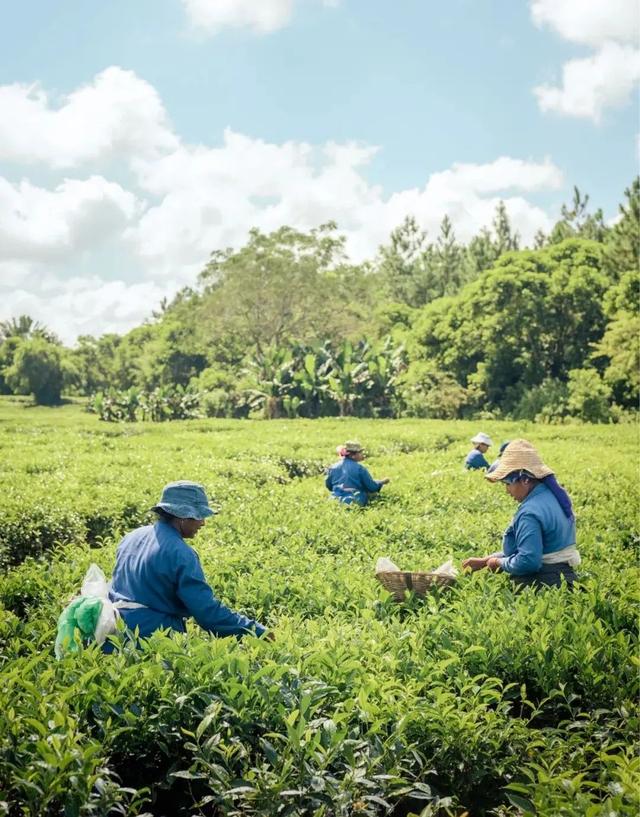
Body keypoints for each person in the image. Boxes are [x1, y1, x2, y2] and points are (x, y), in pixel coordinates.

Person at [106, 481, 269, 648]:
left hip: (114, 632)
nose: (203, 523)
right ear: (183, 517)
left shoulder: (131, 537)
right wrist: (256, 631)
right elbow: (207, 612)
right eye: (199, 516)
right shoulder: (180, 553)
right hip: (152, 640)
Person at [462, 439, 580, 588]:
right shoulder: (554, 497)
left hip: (544, 582)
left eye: (507, 484)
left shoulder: (529, 512)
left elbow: (528, 561)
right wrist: (486, 561)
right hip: (567, 579)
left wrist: (499, 563)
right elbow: (535, 548)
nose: (507, 491)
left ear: (524, 480)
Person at [325, 440, 390, 506]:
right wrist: (381, 482)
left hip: (334, 501)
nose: (362, 454)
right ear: (353, 455)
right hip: (354, 501)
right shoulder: (360, 468)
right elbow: (372, 487)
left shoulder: (333, 467)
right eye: (360, 452)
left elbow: (329, 486)